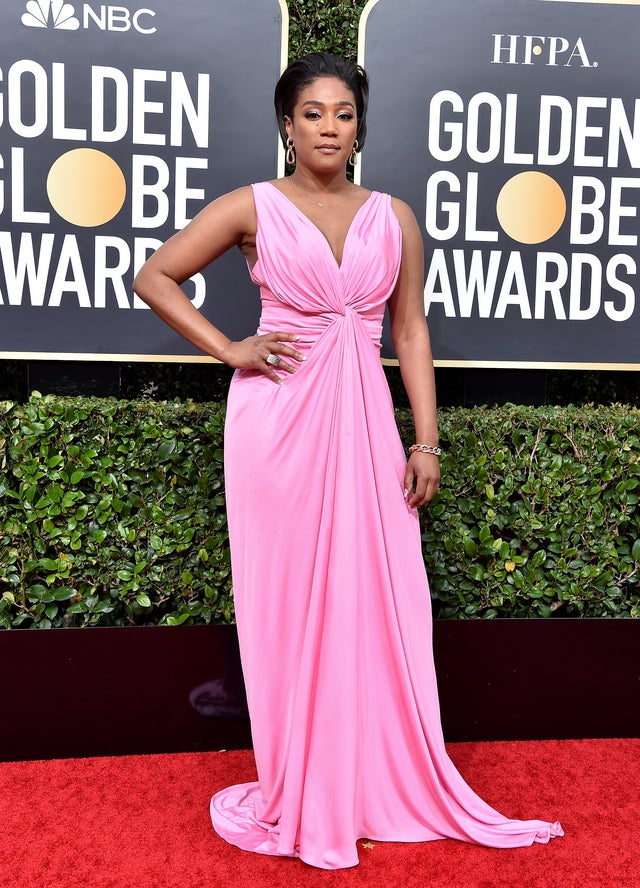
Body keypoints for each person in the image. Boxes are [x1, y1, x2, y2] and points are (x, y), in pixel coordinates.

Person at [133, 52, 562, 871]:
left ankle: (368, 778)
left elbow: (409, 333)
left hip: (367, 423)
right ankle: (301, 783)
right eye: (312, 114)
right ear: (286, 125)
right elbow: (156, 275)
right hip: (277, 424)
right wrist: (230, 348)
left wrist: (425, 438)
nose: (329, 127)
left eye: (343, 114)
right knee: (287, 599)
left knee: (378, 594)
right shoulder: (251, 207)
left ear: (360, 127)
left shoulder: (394, 218)